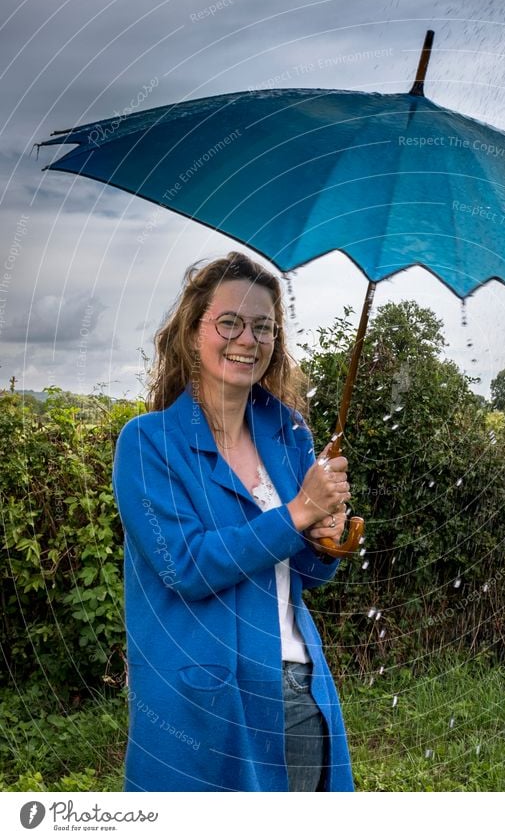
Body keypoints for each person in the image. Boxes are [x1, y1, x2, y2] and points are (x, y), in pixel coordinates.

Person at [112, 251, 354, 791]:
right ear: (192, 332)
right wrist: (297, 514)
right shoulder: (149, 444)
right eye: (230, 322)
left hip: (298, 688)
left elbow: (303, 577)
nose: (248, 339)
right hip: (205, 708)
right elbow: (187, 566)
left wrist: (324, 541)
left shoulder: (289, 435)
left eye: (263, 327)